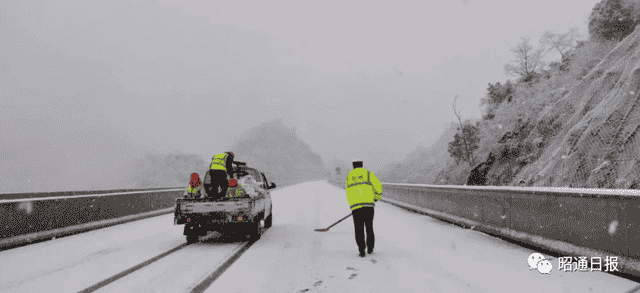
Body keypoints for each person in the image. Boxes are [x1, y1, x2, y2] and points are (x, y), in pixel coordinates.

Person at [345, 160, 383, 257]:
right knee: (369, 227)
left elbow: (348, 192)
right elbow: (378, 185)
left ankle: (361, 250)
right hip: (369, 206)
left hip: (356, 207)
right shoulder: (368, 174)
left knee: (358, 228)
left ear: (353, 166)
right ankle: (370, 248)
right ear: (362, 166)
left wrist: (352, 205)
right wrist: (376, 197)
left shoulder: (350, 176)